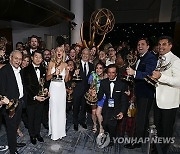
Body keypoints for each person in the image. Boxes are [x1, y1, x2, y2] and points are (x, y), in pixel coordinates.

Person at [124, 38, 157, 149]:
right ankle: (142, 139)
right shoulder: (140, 57)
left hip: (146, 94)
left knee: (140, 118)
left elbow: (149, 74)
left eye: (142, 44)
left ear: (148, 46)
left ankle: (137, 142)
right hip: (140, 92)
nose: (139, 46)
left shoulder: (151, 58)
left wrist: (134, 73)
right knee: (143, 118)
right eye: (138, 44)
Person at [151, 36, 180, 154]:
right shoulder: (160, 59)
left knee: (166, 131)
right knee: (158, 129)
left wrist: (161, 77)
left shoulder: (176, 60)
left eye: (164, 44)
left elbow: (178, 81)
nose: (161, 47)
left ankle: (161, 151)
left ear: (170, 46)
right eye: (159, 44)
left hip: (169, 103)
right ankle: (157, 149)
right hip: (158, 100)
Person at [0, 50, 26, 154]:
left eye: (20, 59)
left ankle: (13, 143)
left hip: (19, 103)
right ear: (10, 58)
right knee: (11, 128)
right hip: (9, 106)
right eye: (16, 58)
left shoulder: (21, 70)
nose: (18, 61)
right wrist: (9, 105)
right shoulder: (4, 71)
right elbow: (1, 91)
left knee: (15, 125)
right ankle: (13, 150)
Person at [97, 64, 129, 146]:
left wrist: (122, 112)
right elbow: (99, 96)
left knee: (112, 124)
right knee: (105, 124)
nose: (111, 75)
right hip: (107, 106)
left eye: (113, 73)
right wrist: (95, 94)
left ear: (116, 73)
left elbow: (124, 100)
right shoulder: (103, 83)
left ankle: (111, 139)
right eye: (109, 73)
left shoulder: (122, 84)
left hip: (117, 107)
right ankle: (109, 135)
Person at [46, 40, 70, 140]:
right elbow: (47, 78)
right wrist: (54, 74)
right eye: (58, 51)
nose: (59, 52)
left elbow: (66, 80)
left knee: (61, 110)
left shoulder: (65, 64)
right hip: (53, 89)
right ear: (55, 53)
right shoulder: (51, 63)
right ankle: (54, 133)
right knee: (54, 109)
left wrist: (68, 72)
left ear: (63, 53)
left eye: (61, 51)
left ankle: (61, 132)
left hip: (61, 90)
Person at [23, 50, 47, 145]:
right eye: (36, 57)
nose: (38, 59)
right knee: (31, 118)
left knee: (38, 117)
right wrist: (35, 96)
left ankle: (37, 133)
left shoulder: (43, 69)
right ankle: (32, 135)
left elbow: (44, 83)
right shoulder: (26, 70)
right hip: (31, 99)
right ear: (32, 57)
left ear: (42, 59)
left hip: (41, 99)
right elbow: (27, 86)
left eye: (40, 57)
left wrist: (45, 90)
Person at [73, 48, 94, 131]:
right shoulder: (76, 64)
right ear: (81, 54)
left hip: (86, 90)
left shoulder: (91, 65)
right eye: (84, 54)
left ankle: (82, 121)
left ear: (89, 56)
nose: (85, 55)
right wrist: (75, 73)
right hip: (77, 90)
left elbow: (92, 78)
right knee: (76, 107)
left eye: (87, 54)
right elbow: (71, 76)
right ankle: (75, 122)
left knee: (84, 107)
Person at [87, 61, 106, 134]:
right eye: (97, 68)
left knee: (98, 113)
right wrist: (91, 91)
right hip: (94, 96)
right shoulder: (92, 75)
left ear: (104, 69)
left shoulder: (106, 76)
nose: (98, 70)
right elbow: (90, 86)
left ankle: (101, 127)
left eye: (100, 68)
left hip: (103, 97)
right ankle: (95, 125)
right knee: (94, 112)